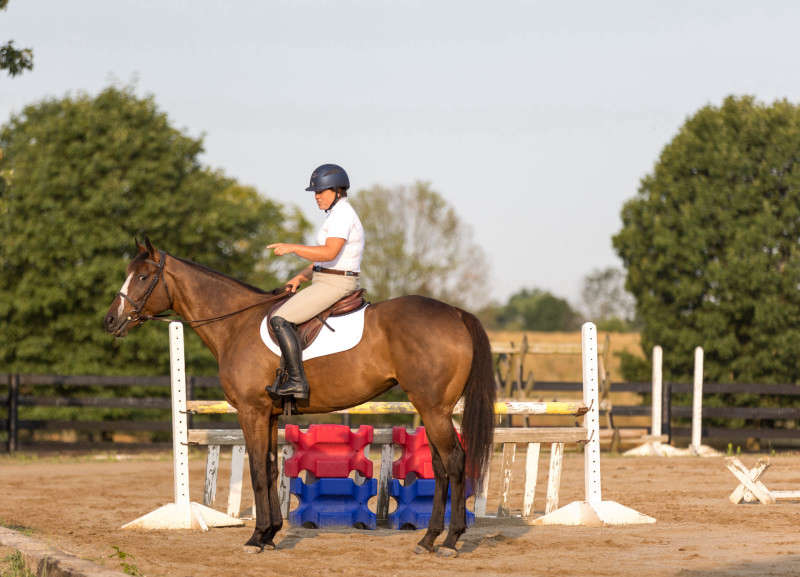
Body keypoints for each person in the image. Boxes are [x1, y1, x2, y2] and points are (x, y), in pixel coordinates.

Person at [265, 163, 364, 400]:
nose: (317, 197)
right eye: (315, 193)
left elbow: (328, 253)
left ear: (337, 191)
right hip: (326, 279)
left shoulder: (342, 215)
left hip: (335, 284)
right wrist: (300, 277)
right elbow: (325, 260)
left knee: (280, 319)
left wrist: (292, 248)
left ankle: (297, 382)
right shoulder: (336, 214)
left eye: (321, 191)